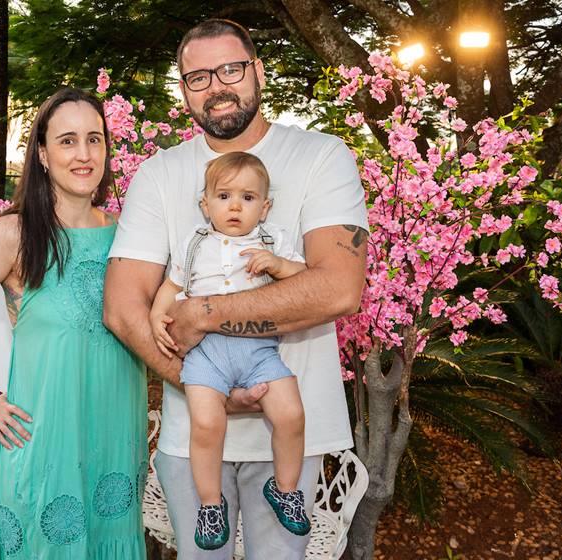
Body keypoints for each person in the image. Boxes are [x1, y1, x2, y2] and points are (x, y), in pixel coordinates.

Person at [104, 18, 368, 560]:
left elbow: (338, 288)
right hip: (192, 430)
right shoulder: (160, 174)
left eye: (230, 69)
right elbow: (123, 305)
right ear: (184, 91)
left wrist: (203, 312)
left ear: (259, 72)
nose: (216, 86)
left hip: (292, 433)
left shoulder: (322, 157)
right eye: (197, 77)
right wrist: (208, 388)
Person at [0, 88, 147, 560]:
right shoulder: (13, 235)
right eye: (67, 141)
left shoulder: (130, 235)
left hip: (115, 446)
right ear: (42, 154)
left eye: (95, 139)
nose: (84, 154)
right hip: (46, 449)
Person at [149, 152, 309, 550]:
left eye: (248, 197)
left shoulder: (274, 241)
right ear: (205, 204)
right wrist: (156, 316)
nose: (235, 205)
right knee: (206, 425)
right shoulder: (194, 242)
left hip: (258, 350)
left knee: (290, 414)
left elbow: (304, 279)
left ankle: (285, 489)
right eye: (224, 196)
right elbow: (171, 287)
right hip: (206, 353)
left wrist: (276, 263)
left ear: (265, 206)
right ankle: (209, 503)